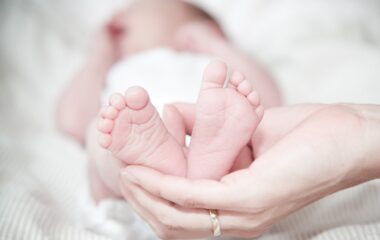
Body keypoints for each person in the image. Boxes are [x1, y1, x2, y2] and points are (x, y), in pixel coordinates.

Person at [57, 0, 281, 200]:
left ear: (206, 28)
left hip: (221, 189)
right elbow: (72, 122)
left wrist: (214, 44)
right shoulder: (115, 68)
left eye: (136, 8)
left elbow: (269, 103)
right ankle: (167, 166)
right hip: (128, 192)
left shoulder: (210, 62)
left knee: (246, 137)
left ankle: (200, 164)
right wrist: (100, 55)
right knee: (100, 134)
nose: (119, 18)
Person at [118, 102, 380, 239]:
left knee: (112, 155)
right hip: (148, 124)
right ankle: (188, 166)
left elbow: (264, 98)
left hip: (180, 120)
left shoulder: (210, 51)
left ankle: (178, 169)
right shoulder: (117, 61)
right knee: (111, 150)